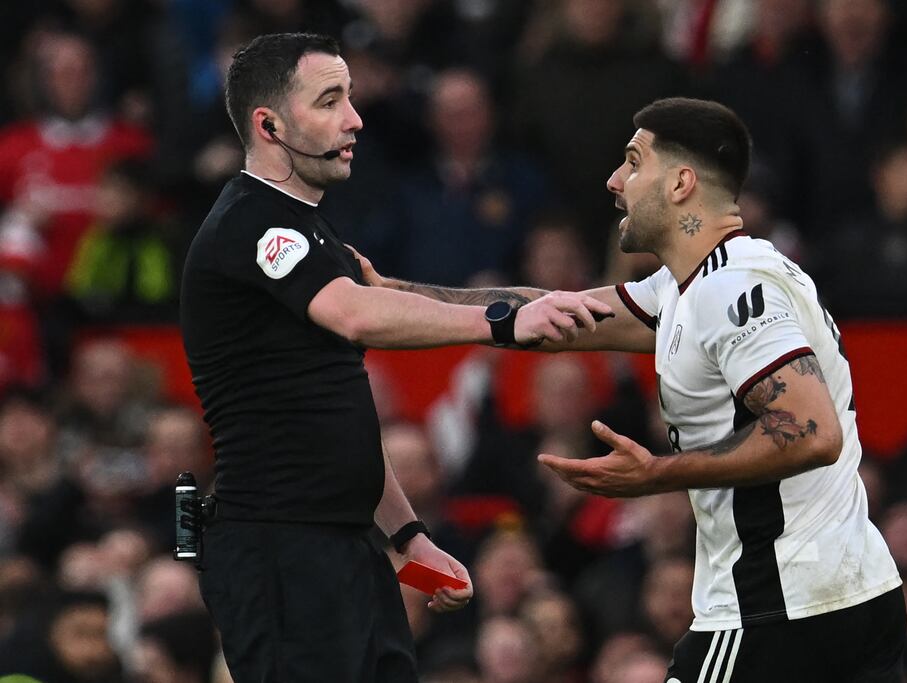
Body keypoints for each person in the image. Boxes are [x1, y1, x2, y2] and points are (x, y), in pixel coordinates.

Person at [357, 97, 906, 681]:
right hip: (846, 593)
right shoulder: (687, 288)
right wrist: (397, 294)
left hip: (780, 606)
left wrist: (656, 475)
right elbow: (548, 315)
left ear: (681, 183)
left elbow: (811, 432)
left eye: (633, 161)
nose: (615, 180)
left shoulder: (731, 287)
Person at [178, 33, 610, 683]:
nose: (354, 118)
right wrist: (501, 323)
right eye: (330, 100)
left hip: (348, 548)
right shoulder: (252, 224)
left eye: (351, 97)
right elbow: (357, 312)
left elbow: (339, 413)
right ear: (269, 124)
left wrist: (408, 537)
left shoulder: (317, 237)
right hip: (280, 551)